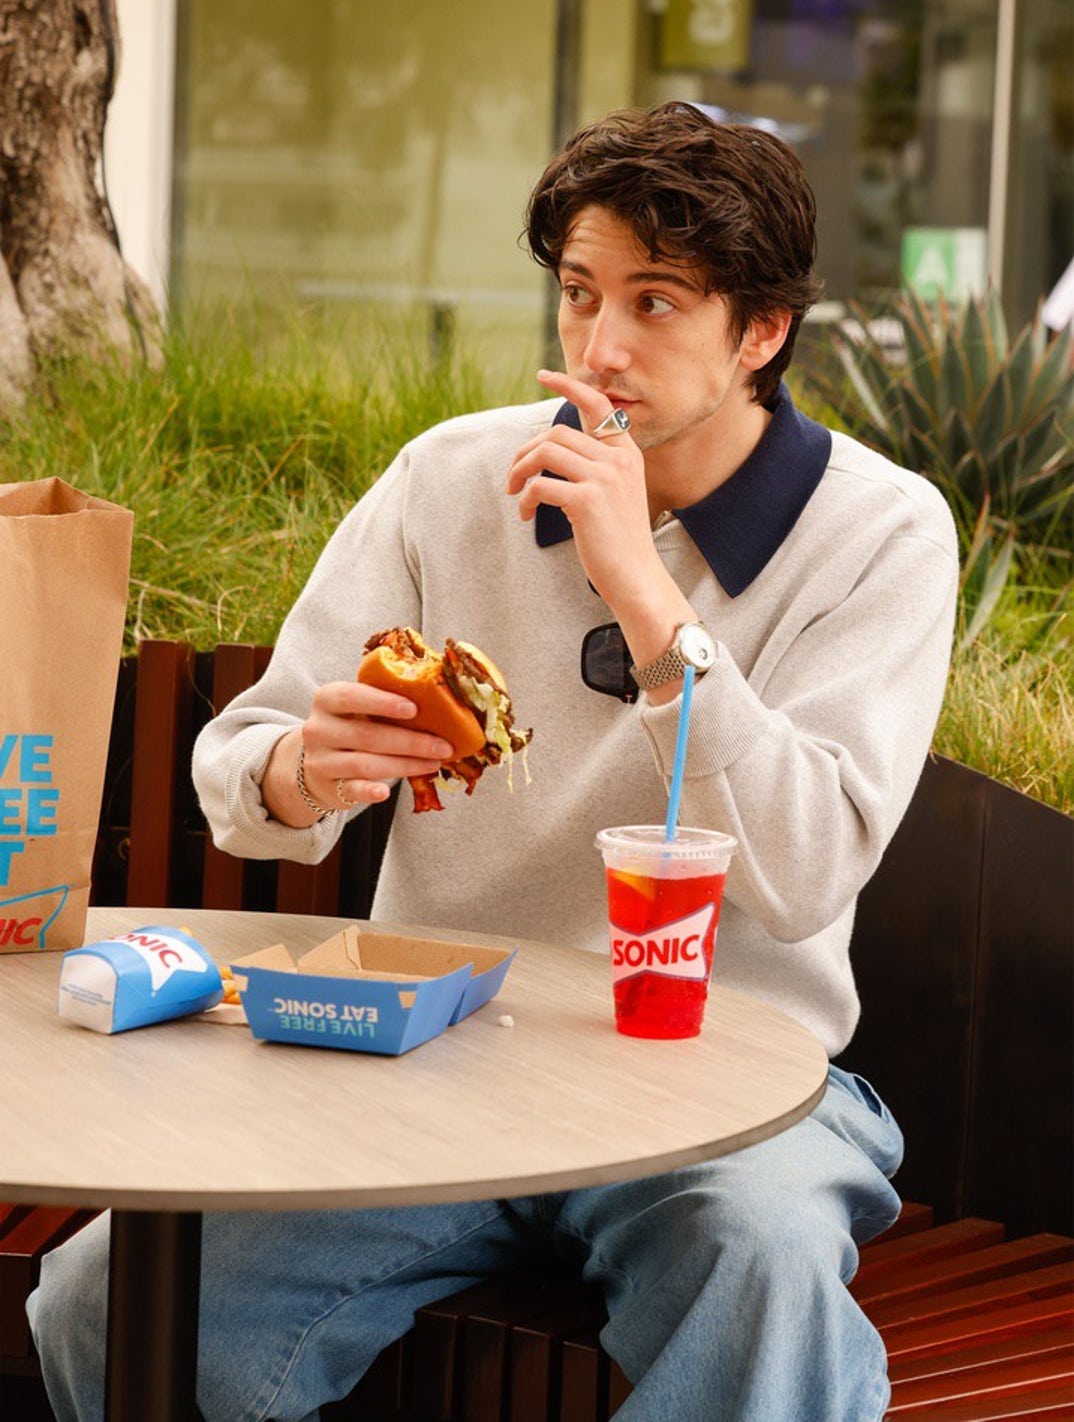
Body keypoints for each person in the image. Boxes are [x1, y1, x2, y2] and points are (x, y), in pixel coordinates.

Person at [29, 101, 959, 1422]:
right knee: (104, 1303)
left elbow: (804, 870)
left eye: (653, 303)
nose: (599, 347)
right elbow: (241, 773)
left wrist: (646, 595)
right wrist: (307, 768)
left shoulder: (879, 533)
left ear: (761, 331)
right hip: (435, 1054)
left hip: (725, 1084)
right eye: (579, 294)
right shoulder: (450, 480)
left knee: (762, 1269)